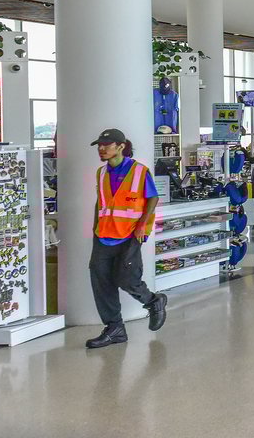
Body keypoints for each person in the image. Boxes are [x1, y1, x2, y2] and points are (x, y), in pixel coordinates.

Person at [85, 128, 168, 349]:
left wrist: (142, 225)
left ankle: (153, 301)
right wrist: (95, 226)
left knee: (126, 279)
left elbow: (152, 197)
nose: (101, 149)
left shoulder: (140, 171)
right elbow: (101, 201)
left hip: (130, 234)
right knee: (101, 281)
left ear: (121, 147)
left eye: (107, 145)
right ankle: (115, 328)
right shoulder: (101, 173)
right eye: (100, 145)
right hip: (103, 235)